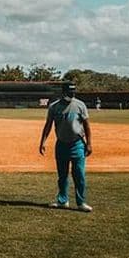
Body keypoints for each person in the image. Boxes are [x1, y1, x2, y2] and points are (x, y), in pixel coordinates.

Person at [38, 83, 93, 212]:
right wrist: (43, 142)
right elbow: (48, 125)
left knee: (79, 174)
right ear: (63, 92)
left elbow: (87, 126)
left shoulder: (80, 105)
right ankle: (63, 201)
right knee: (62, 175)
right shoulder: (54, 107)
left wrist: (89, 143)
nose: (71, 95)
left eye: (73, 92)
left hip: (77, 144)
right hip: (61, 144)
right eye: (69, 92)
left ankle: (81, 202)